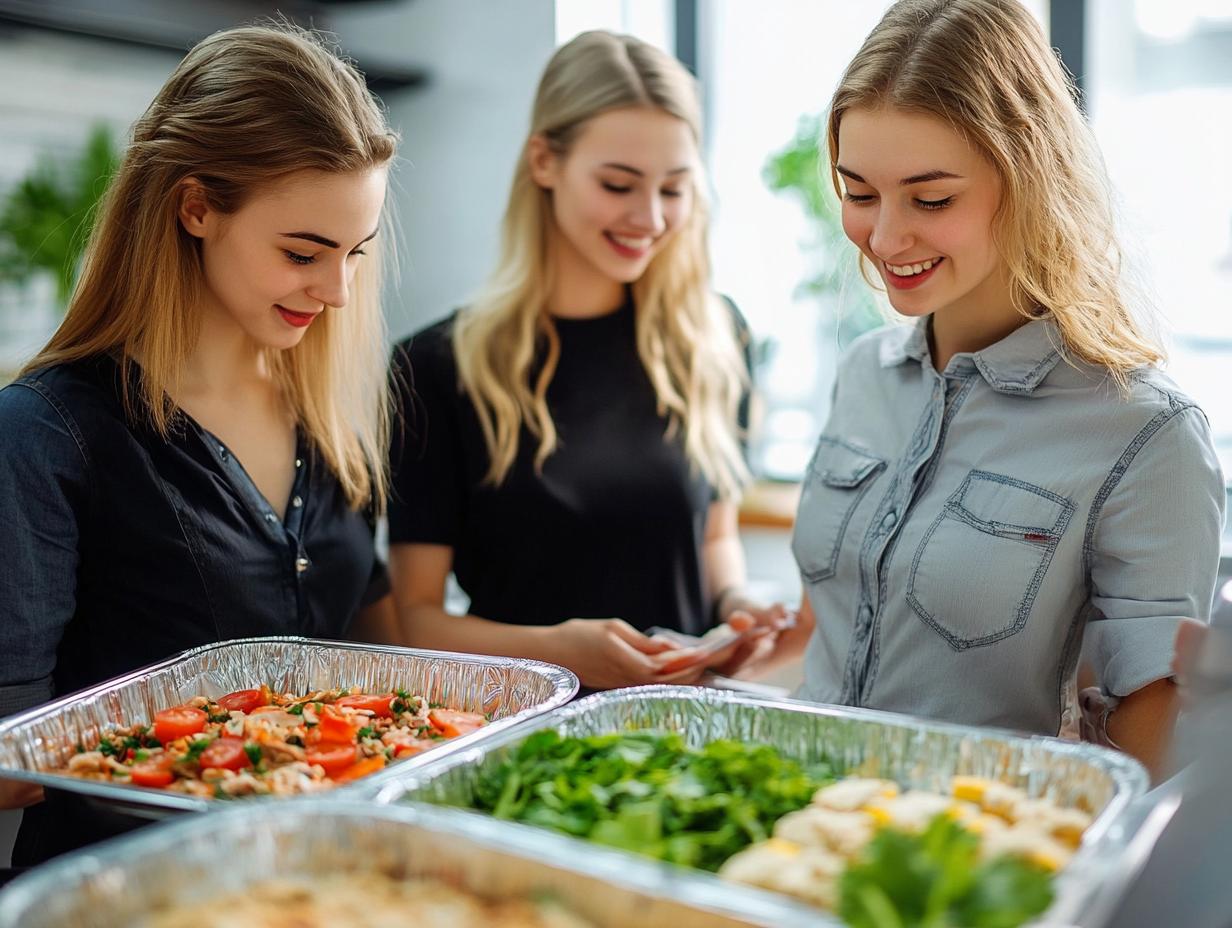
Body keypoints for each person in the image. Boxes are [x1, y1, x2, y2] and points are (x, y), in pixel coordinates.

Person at [774, 0, 1224, 779]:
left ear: (1030, 182)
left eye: (931, 199)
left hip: (966, 847)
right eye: (859, 192)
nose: (884, 238)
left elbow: (1152, 755)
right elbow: (843, 614)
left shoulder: (1144, 434)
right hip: (797, 820)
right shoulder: (863, 374)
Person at [0, 23, 399, 859]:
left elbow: (387, 657)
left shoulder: (326, 420)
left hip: (319, 883)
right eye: (303, 253)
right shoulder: (46, 433)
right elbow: (13, 761)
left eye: (356, 253)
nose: (336, 290)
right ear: (195, 209)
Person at [387, 31, 789, 691]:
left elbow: (714, 541)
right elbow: (417, 622)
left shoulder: (716, 339)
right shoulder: (435, 368)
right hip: (525, 733)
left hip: (683, 726)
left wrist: (737, 607)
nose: (650, 217)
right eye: (618, 184)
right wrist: (557, 654)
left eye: (674, 189)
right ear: (544, 161)